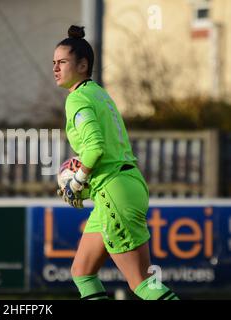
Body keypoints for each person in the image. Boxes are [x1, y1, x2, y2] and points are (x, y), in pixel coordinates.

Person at [53, 26, 179, 300]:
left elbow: (95, 147)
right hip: (125, 184)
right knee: (82, 271)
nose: (55, 68)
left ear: (83, 65)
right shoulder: (99, 93)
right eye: (54, 63)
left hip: (113, 190)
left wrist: (77, 179)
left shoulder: (77, 98)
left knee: (141, 283)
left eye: (62, 62)